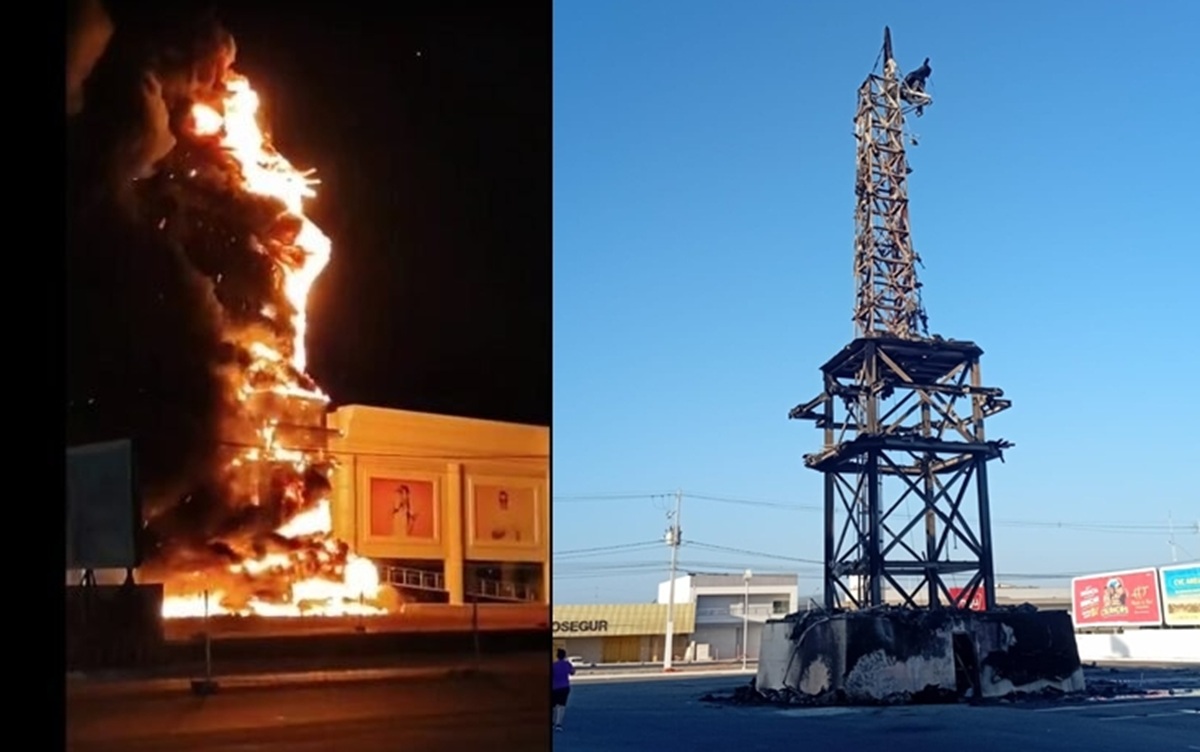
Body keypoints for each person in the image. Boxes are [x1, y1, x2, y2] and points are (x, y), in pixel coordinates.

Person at [551, 648, 576, 731]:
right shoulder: (567, 664)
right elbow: (572, 672)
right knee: (562, 706)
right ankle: (559, 724)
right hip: (564, 687)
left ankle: (552, 722)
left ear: (557, 656)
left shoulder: (554, 665)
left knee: (553, 706)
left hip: (554, 687)